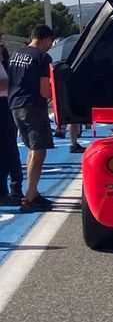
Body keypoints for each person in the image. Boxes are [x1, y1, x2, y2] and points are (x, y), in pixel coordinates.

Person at [6, 24, 57, 210]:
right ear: (47, 39)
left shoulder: (15, 54)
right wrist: (58, 95)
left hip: (15, 105)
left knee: (31, 149)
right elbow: (45, 91)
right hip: (33, 106)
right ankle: (29, 196)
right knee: (39, 151)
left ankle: (32, 191)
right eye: (50, 42)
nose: (50, 45)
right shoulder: (43, 57)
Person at [0, 44, 23, 205]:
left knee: (9, 149)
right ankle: (7, 190)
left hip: (6, 105)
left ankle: (14, 188)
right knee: (8, 149)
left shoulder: (6, 62)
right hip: (3, 105)